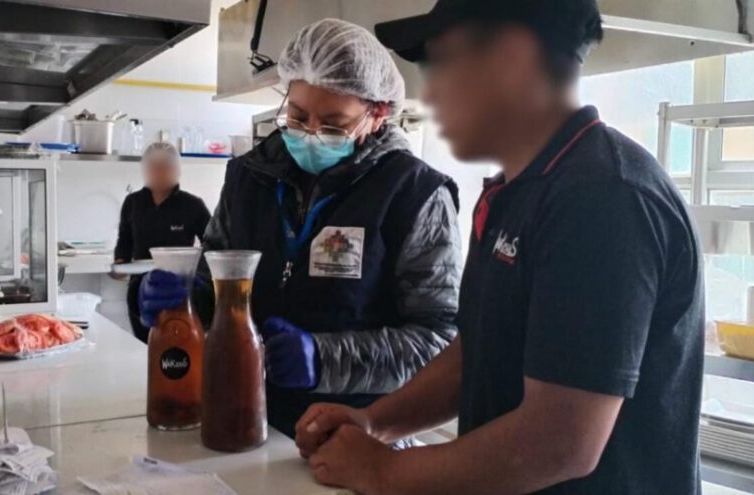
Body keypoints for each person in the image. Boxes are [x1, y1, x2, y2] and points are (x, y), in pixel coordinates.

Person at [294, 1, 705, 494]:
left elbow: (561, 442)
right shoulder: (515, 190)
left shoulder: (601, 197)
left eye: (443, 63)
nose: (431, 91)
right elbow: (478, 351)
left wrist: (382, 471)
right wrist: (375, 423)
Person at [138, 18, 463, 437]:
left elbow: (438, 343)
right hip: (236, 416)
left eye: (333, 123)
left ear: (377, 113)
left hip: (352, 437)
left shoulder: (415, 195)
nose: (310, 134)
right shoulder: (249, 178)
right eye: (297, 114)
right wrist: (180, 298)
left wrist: (323, 359)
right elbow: (213, 284)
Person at [115, 142, 211, 342]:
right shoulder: (133, 203)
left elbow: (212, 246)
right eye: (153, 167)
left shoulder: (193, 205)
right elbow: (124, 242)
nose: (159, 172)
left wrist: (199, 275)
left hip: (178, 291)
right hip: (140, 291)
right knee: (146, 347)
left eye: (165, 167)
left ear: (177, 170)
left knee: (176, 349)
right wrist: (118, 265)